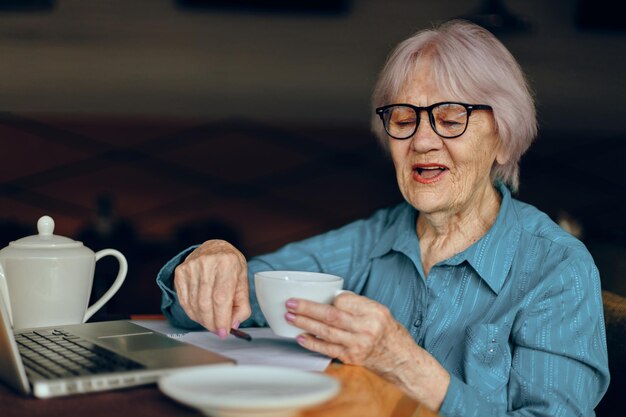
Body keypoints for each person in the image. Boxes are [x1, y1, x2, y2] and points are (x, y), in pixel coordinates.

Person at [156, 20, 609, 416]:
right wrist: (209, 260)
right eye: (404, 117)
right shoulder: (372, 240)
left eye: (451, 118)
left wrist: (404, 364)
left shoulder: (556, 269)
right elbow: (223, 302)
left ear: (505, 140)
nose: (423, 140)